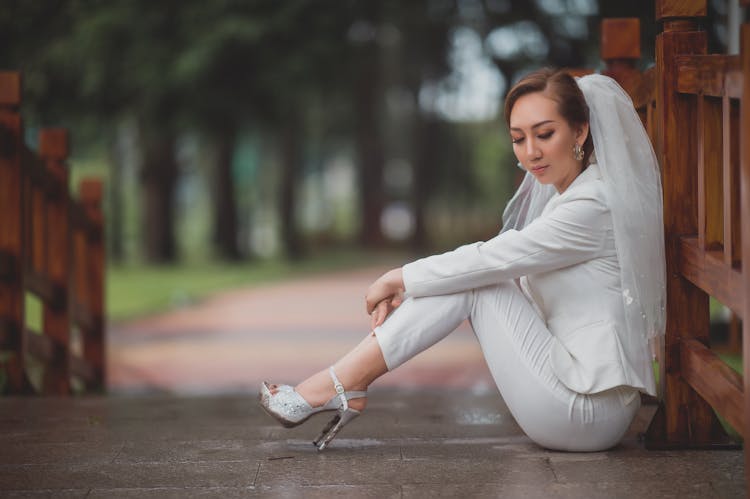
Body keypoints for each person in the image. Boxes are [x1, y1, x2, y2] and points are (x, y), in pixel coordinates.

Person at [259, 68, 666, 452]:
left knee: (480, 279)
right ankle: (342, 384)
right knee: (475, 277)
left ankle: (335, 385)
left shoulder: (592, 204)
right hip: (577, 391)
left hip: (590, 412)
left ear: (580, 130)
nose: (531, 152)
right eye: (518, 138)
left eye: (545, 134)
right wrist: (418, 290)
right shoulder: (572, 196)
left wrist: (398, 278)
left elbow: (493, 259)